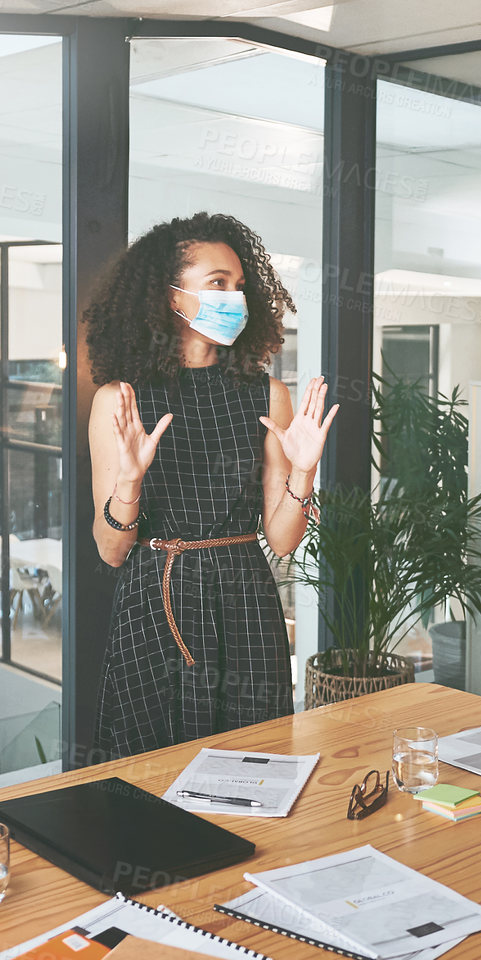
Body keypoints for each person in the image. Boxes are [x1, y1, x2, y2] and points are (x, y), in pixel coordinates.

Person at [85, 212, 336, 757]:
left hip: (245, 598)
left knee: (256, 766)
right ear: (169, 297)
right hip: (155, 600)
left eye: (240, 286)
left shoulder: (267, 394)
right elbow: (110, 551)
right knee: (149, 770)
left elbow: (285, 539)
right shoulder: (120, 400)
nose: (234, 298)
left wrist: (304, 469)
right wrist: (130, 481)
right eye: (217, 284)